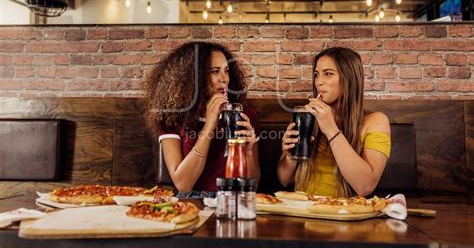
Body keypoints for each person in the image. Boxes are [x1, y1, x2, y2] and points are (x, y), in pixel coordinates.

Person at [144, 42, 260, 198]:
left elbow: (253, 183)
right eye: (215, 71)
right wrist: (209, 125)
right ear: (193, 77)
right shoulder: (172, 118)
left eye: (226, 71)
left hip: (233, 199)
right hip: (192, 201)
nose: (224, 79)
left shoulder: (244, 116)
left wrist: (247, 153)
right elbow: (183, 184)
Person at [277, 47, 391, 197]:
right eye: (316, 75)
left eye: (328, 74)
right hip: (302, 209)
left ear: (349, 80)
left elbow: (365, 186)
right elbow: (284, 180)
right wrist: (290, 156)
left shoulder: (376, 121)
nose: (318, 82)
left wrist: (330, 129)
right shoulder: (306, 117)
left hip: (344, 212)